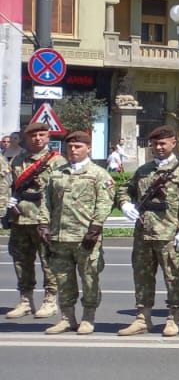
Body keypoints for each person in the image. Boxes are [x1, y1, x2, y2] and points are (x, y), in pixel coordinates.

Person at [117, 125, 179, 337]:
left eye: (163, 143)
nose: (159, 147)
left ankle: (173, 317)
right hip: (144, 234)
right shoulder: (144, 170)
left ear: (173, 143)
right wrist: (125, 204)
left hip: (169, 235)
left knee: (174, 277)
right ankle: (142, 318)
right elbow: (125, 189)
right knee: (142, 277)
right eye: (155, 144)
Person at [41, 130, 115, 335]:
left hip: (85, 238)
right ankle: (67, 318)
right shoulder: (57, 173)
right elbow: (46, 201)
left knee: (90, 279)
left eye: (78, 146)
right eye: (70, 146)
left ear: (88, 148)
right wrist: (44, 224)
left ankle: (88, 317)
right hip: (59, 237)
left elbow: (105, 203)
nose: (73, 150)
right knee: (63, 279)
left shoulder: (98, 174)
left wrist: (95, 228)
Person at [5, 119, 66, 323]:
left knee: (48, 261)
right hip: (20, 218)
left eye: (41, 135)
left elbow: (60, 192)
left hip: (43, 219)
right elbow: (10, 186)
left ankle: (50, 300)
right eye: (33, 135)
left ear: (48, 137)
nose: (37, 139)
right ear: (27, 138)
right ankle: (26, 300)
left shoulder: (56, 161)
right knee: (21, 262)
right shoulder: (17, 160)